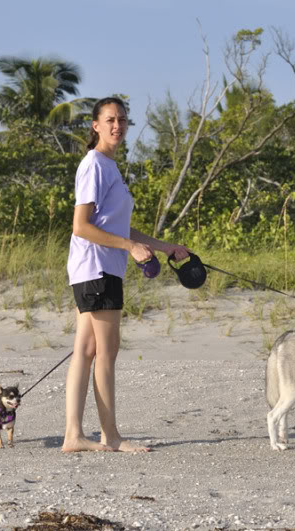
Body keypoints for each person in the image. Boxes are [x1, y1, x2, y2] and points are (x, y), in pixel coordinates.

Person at [62, 96, 190, 453]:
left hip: (96, 268)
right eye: (110, 120)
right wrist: (128, 247)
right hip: (97, 268)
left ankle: (74, 436)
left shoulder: (110, 167)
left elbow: (121, 227)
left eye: (122, 120)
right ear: (95, 125)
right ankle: (111, 436)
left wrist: (165, 247)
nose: (117, 125)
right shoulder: (95, 165)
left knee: (85, 350)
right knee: (106, 352)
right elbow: (81, 226)